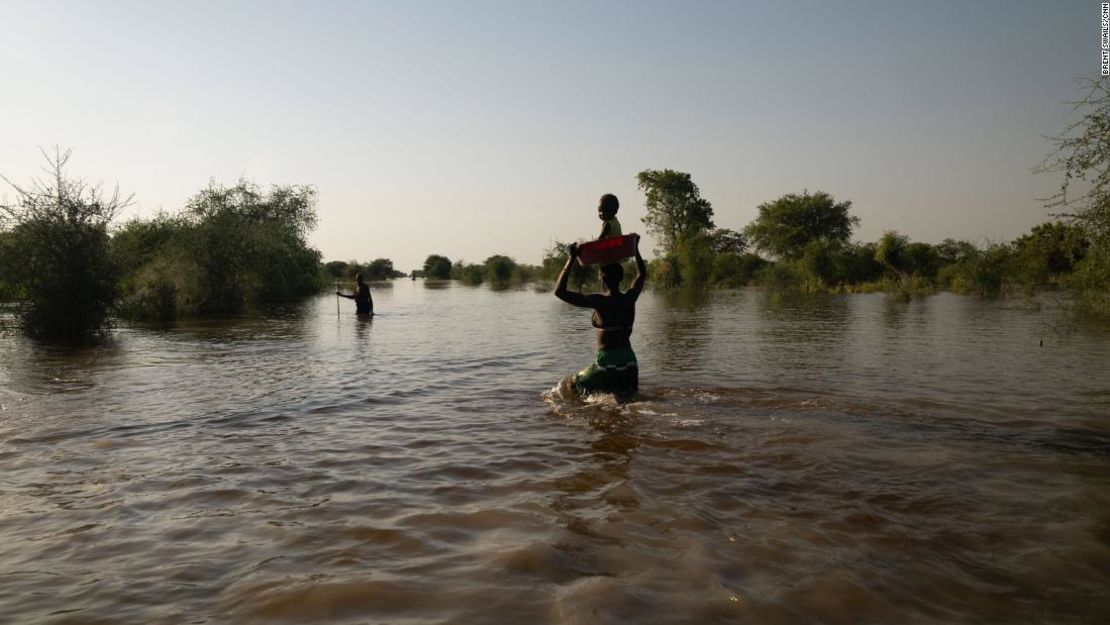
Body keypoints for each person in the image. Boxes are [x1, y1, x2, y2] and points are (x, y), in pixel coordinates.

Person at [555, 234, 645, 397]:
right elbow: (642, 275)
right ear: (621, 279)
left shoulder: (600, 302)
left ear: (602, 279)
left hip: (607, 363)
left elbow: (559, 292)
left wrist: (571, 259)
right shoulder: (630, 298)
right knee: (630, 397)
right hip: (630, 361)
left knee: (572, 384)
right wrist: (635, 248)